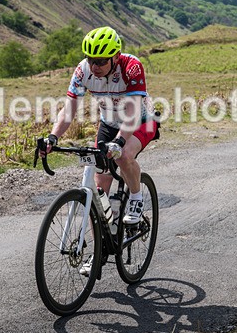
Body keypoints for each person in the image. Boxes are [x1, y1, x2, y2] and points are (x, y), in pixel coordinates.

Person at [38, 26, 158, 226]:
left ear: (116, 57)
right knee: (97, 194)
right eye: (91, 59)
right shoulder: (82, 70)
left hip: (140, 122)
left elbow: (133, 111)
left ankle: (136, 198)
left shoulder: (132, 66)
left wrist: (119, 142)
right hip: (109, 123)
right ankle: (100, 248)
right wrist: (53, 137)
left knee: (124, 155)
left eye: (101, 61)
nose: (95, 66)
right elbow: (69, 110)